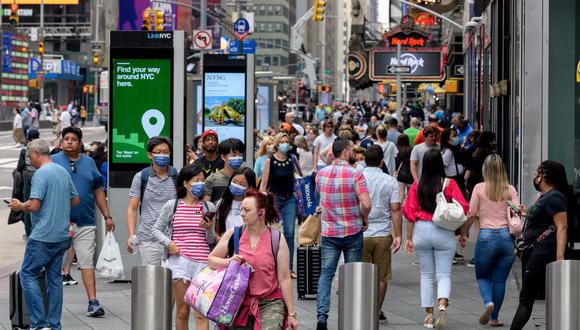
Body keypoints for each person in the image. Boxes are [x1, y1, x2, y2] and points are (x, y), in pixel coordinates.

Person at [8, 139, 79, 330]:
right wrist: (57, 206)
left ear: (37, 154)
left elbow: (33, 205)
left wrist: (18, 205)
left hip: (43, 236)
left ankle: (39, 324)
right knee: (54, 279)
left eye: (30, 156)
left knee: (27, 274)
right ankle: (54, 324)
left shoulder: (41, 174)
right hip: (62, 235)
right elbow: (75, 200)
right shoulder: (62, 171)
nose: (29, 160)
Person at [208, 189, 299, 329]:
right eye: (241, 209)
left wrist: (292, 314)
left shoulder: (277, 239)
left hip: (270, 302)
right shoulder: (235, 233)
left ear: (260, 212)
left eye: (247, 210)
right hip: (236, 302)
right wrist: (229, 262)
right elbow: (211, 260)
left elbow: (285, 278)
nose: (242, 213)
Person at [52, 126, 115, 317]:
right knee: (53, 263)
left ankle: (93, 302)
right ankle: (50, 303)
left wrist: (107, 215)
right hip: (57, 223)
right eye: (66, 138)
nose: (69, 141)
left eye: (73, 139)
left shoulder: (89, 163)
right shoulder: (53, 162)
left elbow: (98, 190)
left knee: (87, 263)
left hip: (85, 222)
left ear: (80, 143)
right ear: (61, 141)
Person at [402, 149, 469, 329]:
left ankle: (430, 316)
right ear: (441, 163)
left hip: (422, 231)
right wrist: (463, 233)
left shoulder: (418, 185)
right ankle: (442, 303)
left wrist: (408, 238)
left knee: (426, 275)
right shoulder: (449, 183)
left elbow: (410, 213)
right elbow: (461, 209)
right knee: (444, 274)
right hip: (444, 231)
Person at [151, 164, 216, 330]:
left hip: (203, 264)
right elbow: (156, 230)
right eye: (197, 180)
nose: (201, 184)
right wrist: (169, 243)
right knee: (182, 311)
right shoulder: (173, 205)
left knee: (201, 312)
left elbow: (209, 239)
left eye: (203, 180)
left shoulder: (209, 207)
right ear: (186, 184)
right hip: (180, 262)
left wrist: (209, 229)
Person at [315, 138, 371, 329]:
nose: (354, 152)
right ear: (346, 152)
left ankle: (322, 316)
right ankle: (351, 316)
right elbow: (367, 204)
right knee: (352, 273)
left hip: (329, 232)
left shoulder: (321, 174)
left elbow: (319, 199)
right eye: (352, 149)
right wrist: (365, 218)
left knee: (326, 273)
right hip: (352, 231)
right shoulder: (356, 174)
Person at [509, 161, 570, 330]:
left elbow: (562, 226)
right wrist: (526, 212)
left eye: (537, 172)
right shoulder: (547, 196)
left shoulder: (555, 197)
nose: (535, 176)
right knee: (530, 296)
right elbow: (544, 219)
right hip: (538, 252)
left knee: (526, 298)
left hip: (543, 253)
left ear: (543, 174)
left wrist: (560, 259)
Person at [459, 154, 518, 327]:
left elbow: (472, 213)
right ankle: (494, 318)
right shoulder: (510, 189)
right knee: (499, 280)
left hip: (486, 236)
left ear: (485, 169)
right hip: (507, 238)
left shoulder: (479, 188)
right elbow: (517, 211)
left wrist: (464, 232)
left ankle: (488, 303)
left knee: (483, 275)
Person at [362, 145, 402, 323]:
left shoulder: (358, 178)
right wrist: (399, 234)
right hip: (383, 233)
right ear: (381, 161)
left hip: (361, 232)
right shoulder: (390, 181)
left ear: (364, 160)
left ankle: (362, 308)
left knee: (361, 273)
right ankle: (376, 310)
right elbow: (395, 209)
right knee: (382, 276)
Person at [127, 136, 177, 265]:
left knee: (175, 281)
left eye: (166, 152)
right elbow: (132, 209)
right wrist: (132, 235)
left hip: (174, 239)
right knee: (152, 281)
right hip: (149, 239)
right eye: (158, 152)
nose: (163, 155)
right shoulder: (141, 177)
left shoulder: (178, 176)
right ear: (150, 155)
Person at [260, 132, 300, 277]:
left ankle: (288, 268)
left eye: (287, 141)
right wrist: (262, 203)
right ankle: (272, 265)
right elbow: (263, 184)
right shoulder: (269, 161)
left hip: (290, 199)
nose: (285, 144)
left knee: (289, 233)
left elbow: (300, 179)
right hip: (274, 199)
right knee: (273, 233)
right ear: (277, 144)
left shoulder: (292, 159)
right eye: (282, 141)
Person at [215, 167, 257, 239]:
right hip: (226, 247)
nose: (236, 185)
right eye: (234, 181)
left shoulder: (255, 205)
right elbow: (217, 230)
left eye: (242, 184)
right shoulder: (222, 203)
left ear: (250, 188)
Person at [204, 138, 245, 203]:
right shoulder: (212, 180)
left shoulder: (246, 177)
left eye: (240, 155)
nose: (238, 158)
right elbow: (206, 206)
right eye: (233, 155)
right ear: (223, 157)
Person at [17, 128, 40, 240]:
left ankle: (29, 233)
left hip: (28, 180)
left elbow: (19, 166)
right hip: (40, 178)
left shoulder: (25, 150)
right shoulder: (42, 148)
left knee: (27, 205)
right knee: (39, 205)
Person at [465, 132, 496, 196]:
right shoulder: (491, 156)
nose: (495, 143)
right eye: (494, 140)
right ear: (489, 142)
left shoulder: (475, 153)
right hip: (488, 186)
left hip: (475, 185)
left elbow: (466, 176)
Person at [440, 129, 466, 195]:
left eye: (456, 135)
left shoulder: (454, 150)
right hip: (453, 182)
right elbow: (441, 167)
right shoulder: (448, 152)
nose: (456, 137)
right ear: (447, 139)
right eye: (454, 136)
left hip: (458, 181)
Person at [395, 134, 414, 201]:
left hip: (401, 175)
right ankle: (408, 208)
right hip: (410, 174)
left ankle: (400, 207)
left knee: (401, 192)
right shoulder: (412, 150)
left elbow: (397, 163)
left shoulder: (399, 151)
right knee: (410, 194)